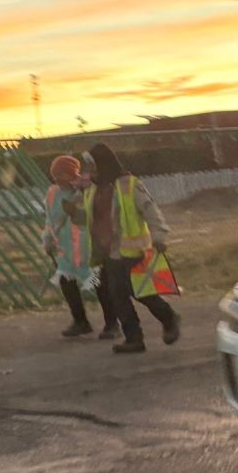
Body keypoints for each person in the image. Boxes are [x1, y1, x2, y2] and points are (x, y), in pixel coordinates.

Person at [78, 144, 180, 355]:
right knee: (118, 295)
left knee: (142, 294)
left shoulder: (129, 185)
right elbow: (90, 217)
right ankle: (134, 339)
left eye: (92, 165)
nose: (89, 170)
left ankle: (169, 318)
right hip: (108, 253)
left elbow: (150, 209)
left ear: (103, 164)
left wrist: (159, 235)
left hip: (131, 252)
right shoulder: (92, 189)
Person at [43, 155, 114, 338]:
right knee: (68, 285)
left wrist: (78, 197)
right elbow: (50, 219)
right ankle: (80, 321)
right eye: (55, 174)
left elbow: (94, 215)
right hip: (65, 250)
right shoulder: (52, 192)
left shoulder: (86, 190)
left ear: (72, 173)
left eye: (62, 173)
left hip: (88, 249)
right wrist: (47, 239)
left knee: (99, 285)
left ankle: (112, 324)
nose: (57, 177)